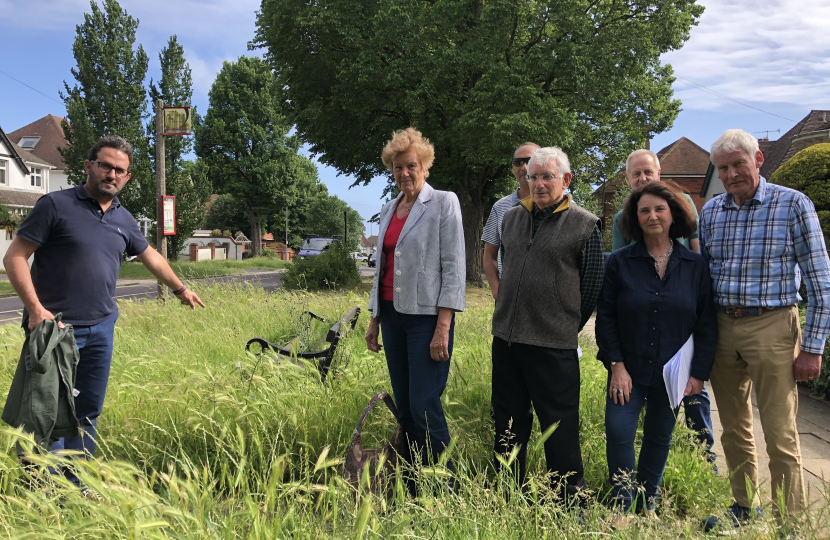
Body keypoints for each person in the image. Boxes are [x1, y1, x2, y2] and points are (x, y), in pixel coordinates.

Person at [2, 136, 205, 484]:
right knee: (45, 412)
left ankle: (77, 485)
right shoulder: (55, 205)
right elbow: (15, 257)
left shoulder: (124, 219)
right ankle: (41, 493)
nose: (112, 174)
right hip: (55, 331)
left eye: (120, 170)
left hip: (101, 329)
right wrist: (35, 310)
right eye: (105, 166)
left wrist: (180, 288)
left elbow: (151, 255)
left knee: (87, 412)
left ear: (127, 177)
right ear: (89, 166)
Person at [699, 130, 830, 532]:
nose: (732, 173)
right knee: (733, 426)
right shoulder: (712, 211)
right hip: (723, 324)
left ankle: (788, 520)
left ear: (758, 159)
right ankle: (744, 505)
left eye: (739, 163)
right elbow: (704, 276)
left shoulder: (793, 204)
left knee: (780, 428)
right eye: (723, 168)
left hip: (773, 323)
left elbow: (820, 281)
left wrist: (813, 347)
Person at [596, 180, 717, 528]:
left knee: (659, 436)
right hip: (627, 370)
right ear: (635, 217)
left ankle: (647, 500)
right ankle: (622, 503)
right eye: (644, 210)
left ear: (673, 214)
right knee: (618, 431)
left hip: (673, 375)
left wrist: (698, 374)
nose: (652, 216)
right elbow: (605, 318)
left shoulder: (695, 266)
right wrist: (616, 365)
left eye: (659, 209)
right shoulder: (619, 263)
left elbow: (706, 324)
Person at [490, 146, 604, 500]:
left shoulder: (584, 225)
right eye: (532, 176)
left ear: (566, 180)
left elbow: (592, 284)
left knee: (558, 426)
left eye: (546, 177)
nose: (537, 183)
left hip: (553, 345)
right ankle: (507, 490)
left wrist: (563, 323)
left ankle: (568, 496)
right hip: (507, 341)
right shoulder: (511, 218)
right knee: (508, 422)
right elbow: (507, 268)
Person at [365, 127, 466, 482]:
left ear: (425, 167)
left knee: (425, 403)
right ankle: (411, 479)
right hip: (393, 317)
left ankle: (447, 484)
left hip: (426, 319)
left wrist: (443, 327)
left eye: (411, 166)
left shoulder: (443, 203)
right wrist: (375, 319)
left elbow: (454, 267)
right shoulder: (389, 208)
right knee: (406, 404)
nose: (404, 173)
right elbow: (382, 269)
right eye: (397, 167)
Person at [610, 149, 715, 464]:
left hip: (680, 320)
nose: (642, 178)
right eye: (636, 174)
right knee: (632, 425)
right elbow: (618, 277)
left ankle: (705, 454)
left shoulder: (683, 207)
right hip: (642, 319)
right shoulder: (622, 219)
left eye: (648, 172)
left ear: (658, 173)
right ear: (628, 180)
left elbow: (698, 253)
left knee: (694, 397)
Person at [482, 142, 539, 300]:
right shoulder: (500, 207)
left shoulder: (563, 208)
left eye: (530, 160)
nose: (524, 167)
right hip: (509, 298)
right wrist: (497, 290)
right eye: (518, 162)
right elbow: (489, 254)